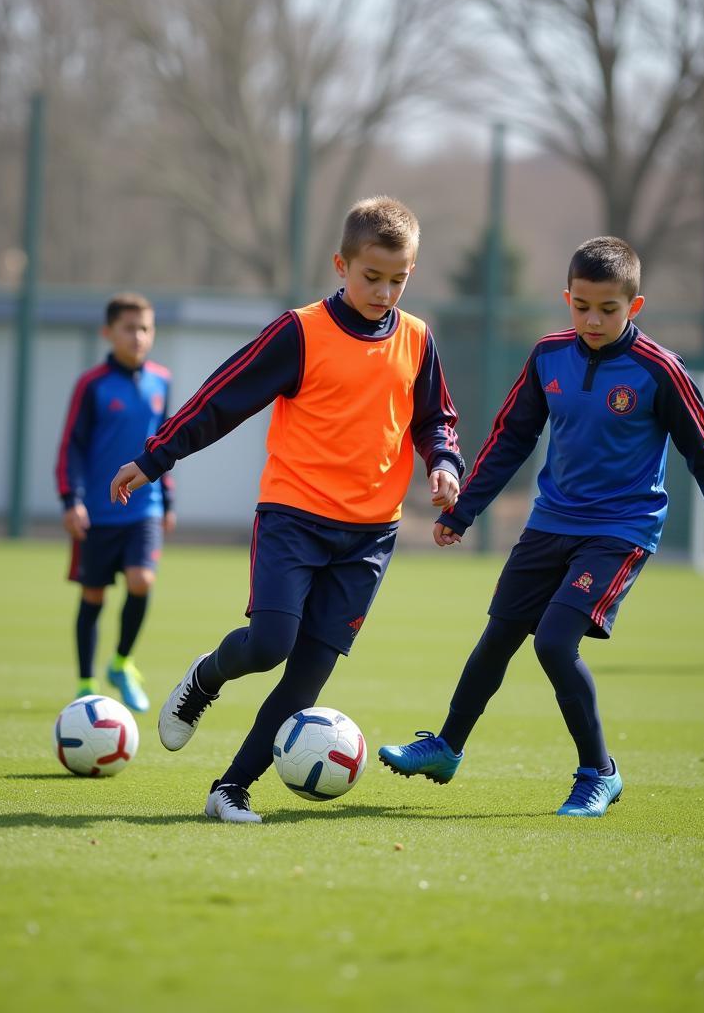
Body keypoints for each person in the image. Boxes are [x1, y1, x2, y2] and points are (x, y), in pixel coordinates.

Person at [111, 196, 464, 823]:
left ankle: (231, 790)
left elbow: (437, 420)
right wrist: (154, 458)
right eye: (371, 277)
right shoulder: (301, 331)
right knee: (272, 643)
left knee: (306, 680)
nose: (384, 291)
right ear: (341, 265)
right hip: (294, 518)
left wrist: (443, 462)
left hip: (370, 538)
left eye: (398, 279)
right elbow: (222, 398)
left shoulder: (417, 339)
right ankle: (207, 676)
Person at [378, 235, 704, 818]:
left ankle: (598, 773)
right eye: (582, 306)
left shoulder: (659, 370)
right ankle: (446, 748)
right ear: (567, 298)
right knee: (500, 633)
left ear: (636, 305)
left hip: (620, 529)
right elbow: (510, 438)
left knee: (555, 643)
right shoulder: (548, 355)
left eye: (609, 308)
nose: (593, 319)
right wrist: (463, 510)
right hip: (550, 522)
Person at [56, 293, 175, 710]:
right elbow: (71, 446)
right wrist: (72, 499)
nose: (138, 337)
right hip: (99, 513)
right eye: (129, 328)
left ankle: (122, 663)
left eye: (145, 329)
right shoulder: (92, 386)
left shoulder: (162, 380)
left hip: (145, 507)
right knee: (93, 596)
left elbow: (166, 446)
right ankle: (87, 682)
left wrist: (169, 500)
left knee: (142, 580)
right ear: (109, 333)